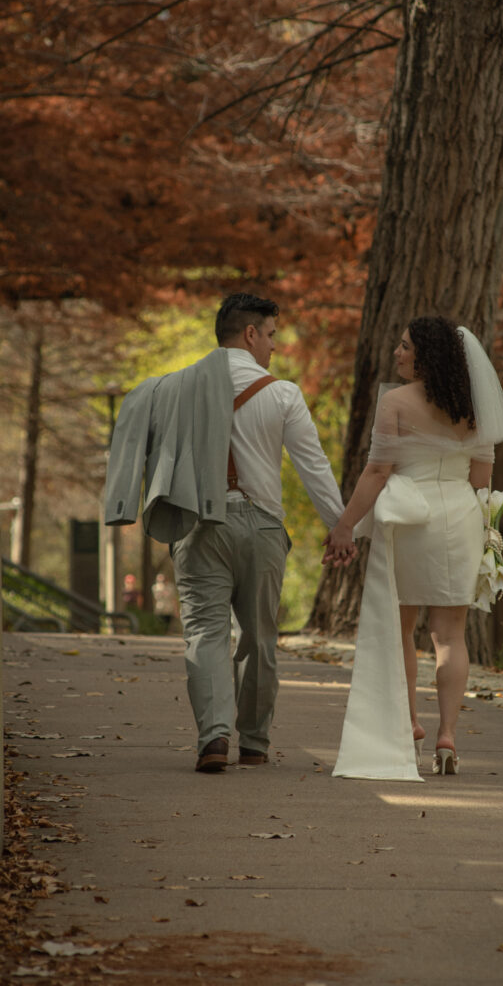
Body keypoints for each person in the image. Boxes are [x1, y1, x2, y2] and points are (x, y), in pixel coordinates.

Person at [323, 316, 503, 779]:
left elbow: (377, 472)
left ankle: (410, 722)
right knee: (450, 635)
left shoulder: (395, 402)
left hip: (409, 520)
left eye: (405, 346)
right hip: (460, 520)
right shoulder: (475, 406)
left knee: (402, 627)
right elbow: (481, 479)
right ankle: (447, 734)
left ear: (426, 355)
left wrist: (345, 525)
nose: (397, 353)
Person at [170, 293, 345, 773]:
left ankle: (213, 736)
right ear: (249, 334)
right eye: (270, 335)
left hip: (200, 524)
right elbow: (314, 467)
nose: (273, 346)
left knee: (205, 633)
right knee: (260, 637)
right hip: (263, 527)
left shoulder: (179, 388)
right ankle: (253, 742)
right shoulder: (282, 393)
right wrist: (341, 527)